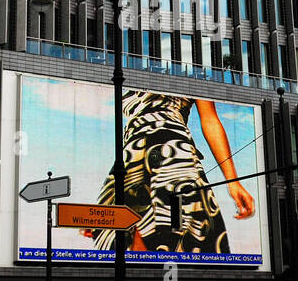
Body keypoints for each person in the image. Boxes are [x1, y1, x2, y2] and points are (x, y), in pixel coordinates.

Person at [91, 93, 256, 256]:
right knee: (117, 235)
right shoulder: (125, 68)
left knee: (177, 237)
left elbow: (210, 119)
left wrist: (233, 181)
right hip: (132, 154)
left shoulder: (191, 70)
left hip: (172, 150)